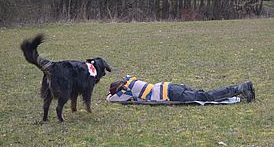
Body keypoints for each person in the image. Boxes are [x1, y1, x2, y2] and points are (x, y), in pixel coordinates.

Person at [106, 75, 255, 103]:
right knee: (202, 94)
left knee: (206, 97)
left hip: (170, 94)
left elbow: (111, 99)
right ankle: (240, 89)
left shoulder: (125, 92)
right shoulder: (131, 80)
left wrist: (110, 94)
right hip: (169, 86)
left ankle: (239, 88)